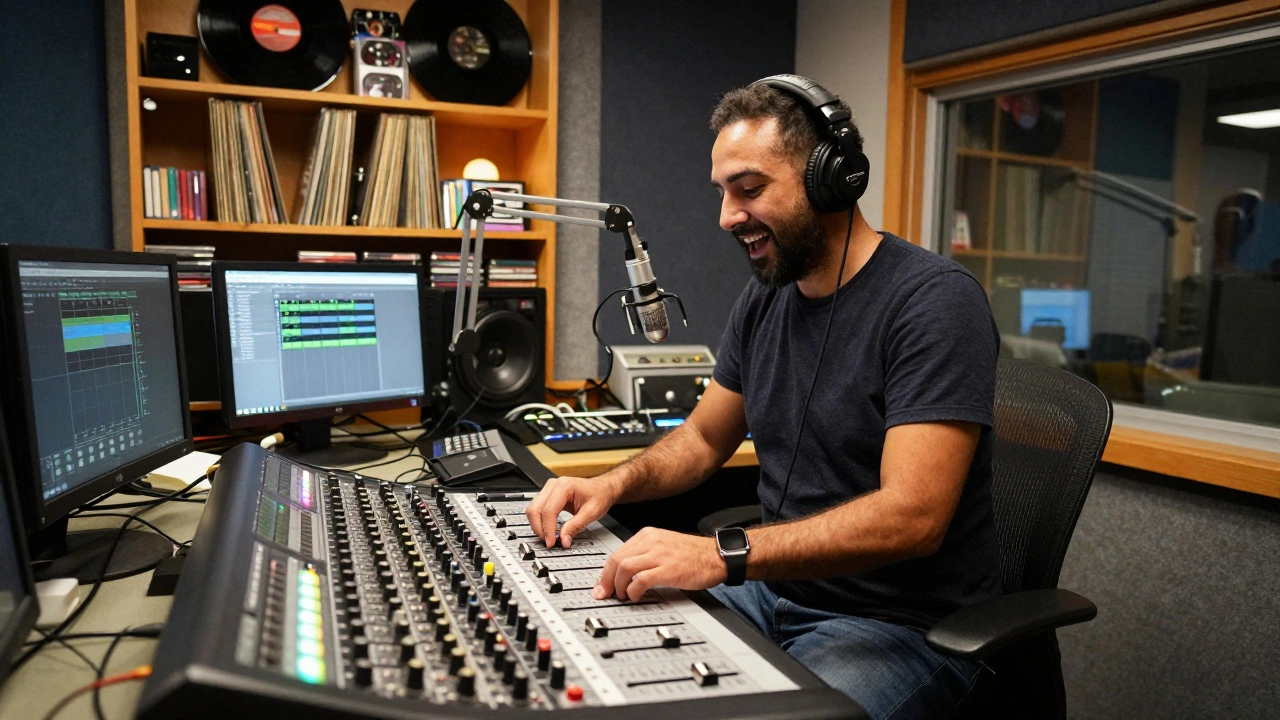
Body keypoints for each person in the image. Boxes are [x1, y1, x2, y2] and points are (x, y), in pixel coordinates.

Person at [526, 77, 1002, 719]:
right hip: (772, 591)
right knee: (593, 650)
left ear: (832, 178)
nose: (727, 216)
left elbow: (912, 516)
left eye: (749, 189)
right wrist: (610, 486)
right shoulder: (766, 299)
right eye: (723, 193)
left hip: (899, 627)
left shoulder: (934, 303)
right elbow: (703, 439)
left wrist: (718, 554)